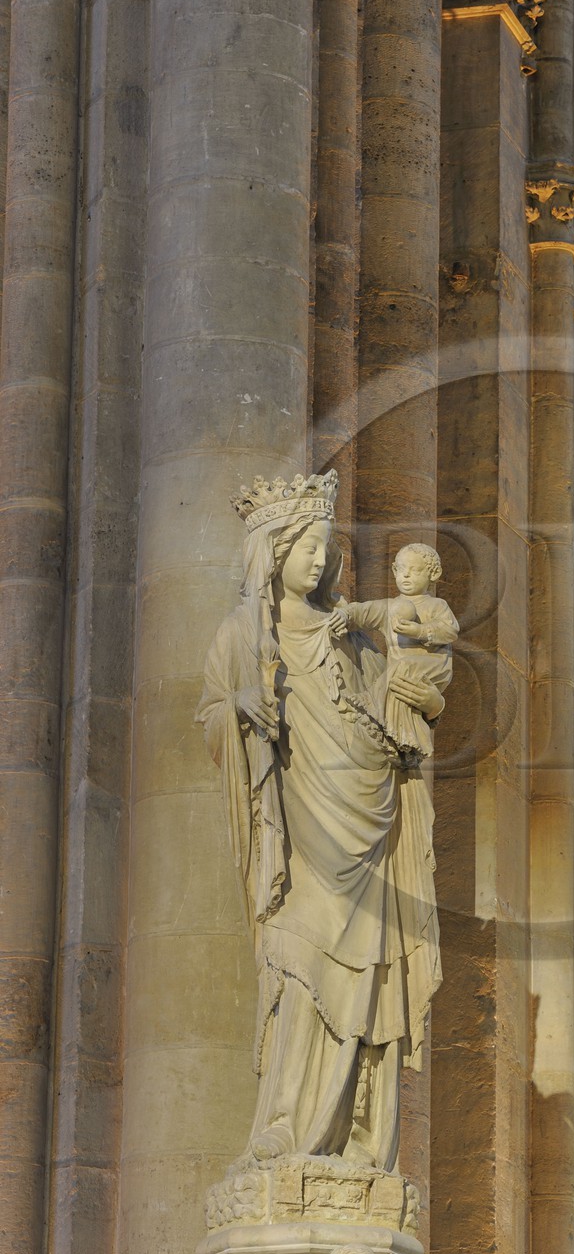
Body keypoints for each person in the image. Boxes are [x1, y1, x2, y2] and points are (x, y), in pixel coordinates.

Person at [196, 472, 443, 1172]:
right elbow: (214, 716)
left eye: (325, 546)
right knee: (299, 957)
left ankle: (361, 1139)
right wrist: (242, 705)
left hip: (372, 821)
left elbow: (396, 712)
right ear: (272, 553)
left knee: (370, 970)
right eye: (305, 544)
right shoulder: (244, 638)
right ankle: (286, 1126)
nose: (318, 557)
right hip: (300, 826)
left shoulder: (354, 640)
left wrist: (414, 696)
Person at [335, 542, 459, 763]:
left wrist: (420, 630)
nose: (407, 576)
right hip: (401, 673)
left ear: (434, 574)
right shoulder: (390, 607)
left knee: (401, 669)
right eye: (401, 569)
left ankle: (371, 701)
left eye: (416, 570)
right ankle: (400, 734)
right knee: (398, 681)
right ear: (394, 570)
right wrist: (345, 616)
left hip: (433, 666)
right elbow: (363, 611)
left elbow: (450, 631)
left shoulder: (436, 605)